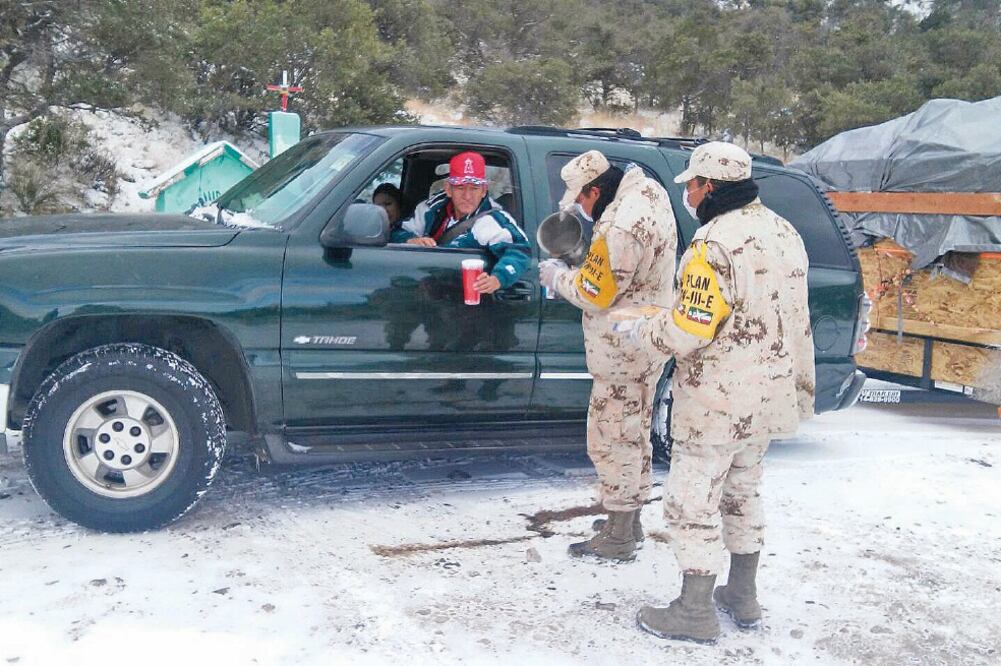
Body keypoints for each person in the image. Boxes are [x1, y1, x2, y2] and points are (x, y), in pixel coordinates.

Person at [614, 142, 815, 644]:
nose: (687, 194)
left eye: (691, 185)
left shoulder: (713, 244)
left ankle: (693, 610)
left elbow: (691, 329)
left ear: (708, 186)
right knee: (744, 493)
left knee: (693, 501)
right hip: (768, 398)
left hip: (717, 403)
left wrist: (643, 330)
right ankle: (742, 595)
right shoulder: (784, 231)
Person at [538, 150, 678, 562]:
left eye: (581, 199)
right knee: (635, 436)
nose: (580, 208)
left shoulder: (619, 226)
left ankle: (617, 535)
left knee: (611, 438)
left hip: (620, 350)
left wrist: (559, 277)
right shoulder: (649, 193)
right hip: (648, 340)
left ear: (596, 189)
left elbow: (595, 293)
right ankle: (629, 521)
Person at [391, 151, 530, 295]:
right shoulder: (430, 209)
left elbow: (520, 251)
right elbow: (396, 232)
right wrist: (411, 240)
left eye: (474, 188)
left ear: (483, 191)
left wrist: (498, 279)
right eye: (460, 187)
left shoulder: (493, 220)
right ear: (448, 189)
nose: (467, 196)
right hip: (423, 289)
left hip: (461, 298)